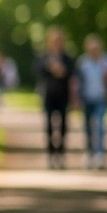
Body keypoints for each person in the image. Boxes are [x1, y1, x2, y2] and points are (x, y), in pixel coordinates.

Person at [35, 25, 76, 169]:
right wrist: (50, 68)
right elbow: (38, 71)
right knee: (49, 127)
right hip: (48, 95)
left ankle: (61, 154)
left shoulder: (67, 57)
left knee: (64, 126)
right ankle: (51, 155)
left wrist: (62, 71)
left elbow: (72, 73)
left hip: (63, 96)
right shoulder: (44, 56)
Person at [76, 33, 107, 169]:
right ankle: (89, 153)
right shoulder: (83, 62)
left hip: (101, 98)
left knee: (100, 127)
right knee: (88, 128)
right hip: (86, 99)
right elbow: (77, 82)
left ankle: (99, 155)